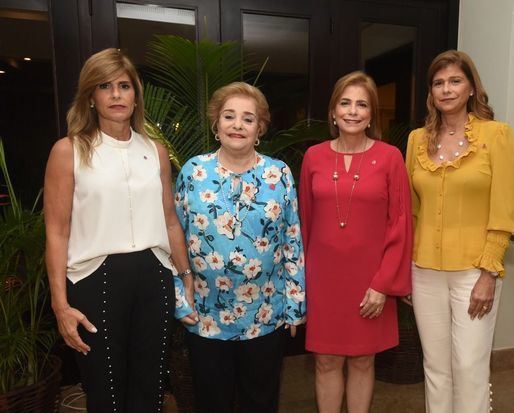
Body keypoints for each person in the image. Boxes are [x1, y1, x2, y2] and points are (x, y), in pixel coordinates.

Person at [44, 48, 192, 412]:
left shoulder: (155, 151)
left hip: (155, 278)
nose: (115, 94)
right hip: (95, 282)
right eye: (105, 86)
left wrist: (185, 274)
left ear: (135, 96)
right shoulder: (68, 151)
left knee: (150, 391)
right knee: (106, 393)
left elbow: (170, 219)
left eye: (124, 86)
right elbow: (57, 232)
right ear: (90, 97)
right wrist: (60, 304)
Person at [173, 82, 306, 413]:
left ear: (260, 127)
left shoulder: (279, 174)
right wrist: (178, 296)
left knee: (260, 403)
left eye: (248, 119)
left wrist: (295, 304)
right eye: (229, 116)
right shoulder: (193, 172)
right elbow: (171, 237)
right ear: (216, 124)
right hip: (205, 317)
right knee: (211, 403)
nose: (237, 125)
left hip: (264, 315)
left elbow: (292, 241)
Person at [405, 50, 514, 413]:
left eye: (455, 81)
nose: (446, 89)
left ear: (471, 87)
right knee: (436, 369)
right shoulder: (415, 141)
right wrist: (404, 272)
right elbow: (411, 212)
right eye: (438, 83)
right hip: (424, 272)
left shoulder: (496, 136)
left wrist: (489, 273)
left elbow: (505, 211)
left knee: (469, 367)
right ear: (431, 92)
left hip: (474, 272)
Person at [299, 71, 413, 413]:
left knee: (364, 361)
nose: (352, 111)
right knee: (326, 361)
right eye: (345, 103)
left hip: (371, 282)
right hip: (323, 281)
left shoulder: (391, 157)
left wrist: (383, 285)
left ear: (371, 114)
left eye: (361, 104)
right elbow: (303, 222)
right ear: (333, 112)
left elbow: (401, 224)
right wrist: (300, 284)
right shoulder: (313, 157)